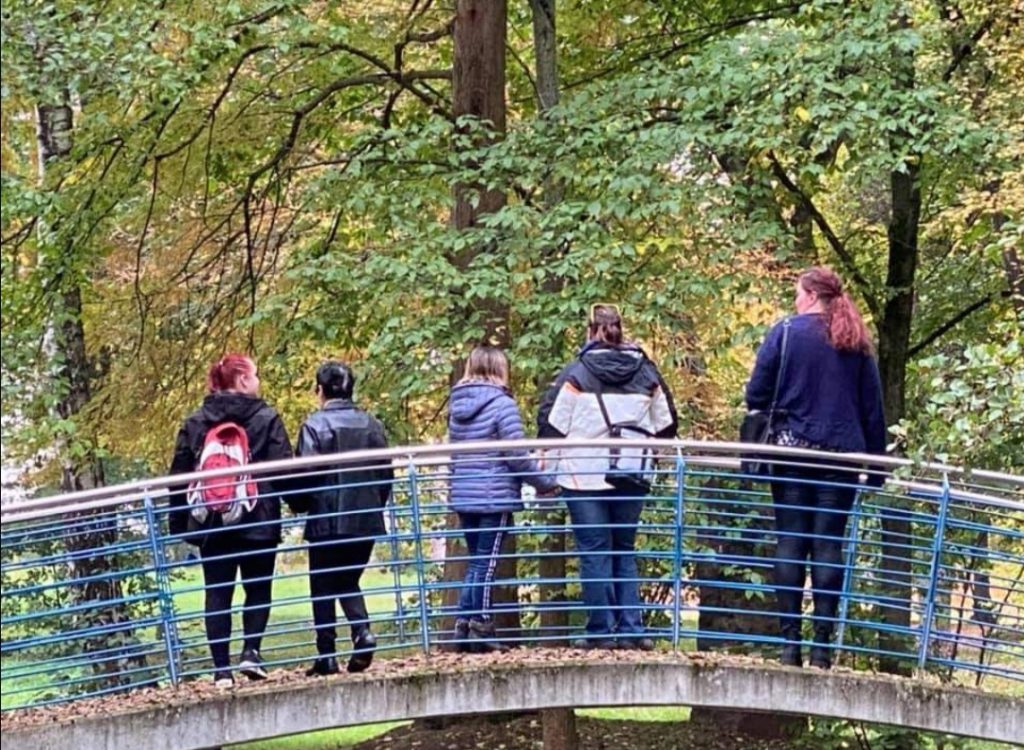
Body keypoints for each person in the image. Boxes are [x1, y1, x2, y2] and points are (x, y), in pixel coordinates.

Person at [746, 267, 886, 669]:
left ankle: (790, 646)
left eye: (797, 292)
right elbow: (872, 409)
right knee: (828, 545)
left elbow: (756, 393)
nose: (795, 299)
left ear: (810, 294)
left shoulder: (786, 332)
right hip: (841, 458)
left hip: (791, 453)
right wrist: (875, 467)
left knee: (790, 541)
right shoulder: (855, 340)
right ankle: (822, 646)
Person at [538, 305, 678, 650]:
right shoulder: (647, 371)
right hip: (631, 471)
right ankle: (632, 630)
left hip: (582, 475)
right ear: (621, 328)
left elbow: (553, 425)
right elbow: (667, 424)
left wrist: (547, 472)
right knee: (624, 549)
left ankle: (600, 630)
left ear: (590, 330)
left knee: (594, 551)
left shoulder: (576, 374)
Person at [169, 353, 293, 687]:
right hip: (258, 519)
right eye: (255, 374)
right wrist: (298, 502)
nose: (258, 380)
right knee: (258, 589)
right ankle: (251, 651)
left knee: (217, 593)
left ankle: (221, 670)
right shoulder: (267, 418)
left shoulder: (196, 421)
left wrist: (180, 523)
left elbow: (179, 474)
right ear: (242, 380)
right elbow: (284, 469)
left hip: (211, 521)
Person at [449, 345, 559, 652]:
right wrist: (545, 482)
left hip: (465, 494)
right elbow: (517, 456)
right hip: (494, 496)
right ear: (499, 369)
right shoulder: (502, 404)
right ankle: (481, 625)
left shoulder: (458, 406)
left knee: (476, 562)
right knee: (487, 563)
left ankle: (463, 624)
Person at [287, 361, 394, 676]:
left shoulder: (315, 426)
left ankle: (327, 655)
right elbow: (384, 474)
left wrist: (297, 503)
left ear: (319, 390)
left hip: (327, 520)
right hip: (365, 519)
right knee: (347, 579)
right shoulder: (372, 425)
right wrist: (375, 507)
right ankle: (362, 632)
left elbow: (305, 474)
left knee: (322, 584)